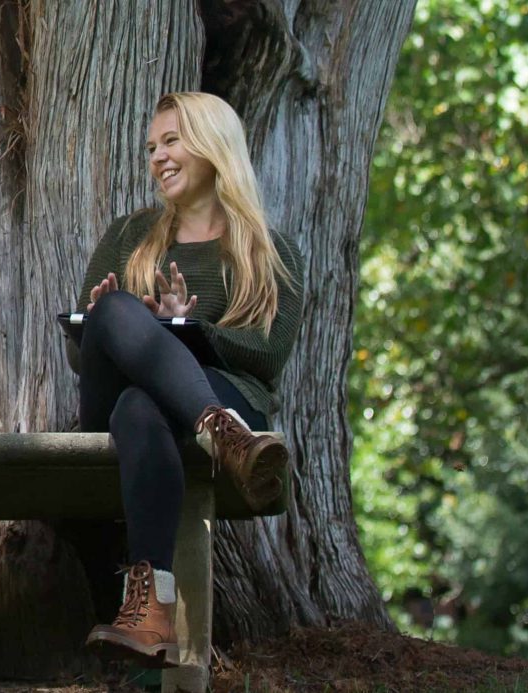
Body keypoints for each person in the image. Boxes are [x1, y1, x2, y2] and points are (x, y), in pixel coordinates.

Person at [69, 92, 305, 668]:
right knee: (116, 309)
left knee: (139, 405)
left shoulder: (268, 250)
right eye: (152, 147)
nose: (158, 157)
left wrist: (188, 328)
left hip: (211, 396)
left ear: (212, 144)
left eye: (172, 141)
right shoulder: (129, 236)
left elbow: (269, 354)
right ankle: (222, 434)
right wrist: (111, 322)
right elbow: (83, 358)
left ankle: (149, 610)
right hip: (158, 415)